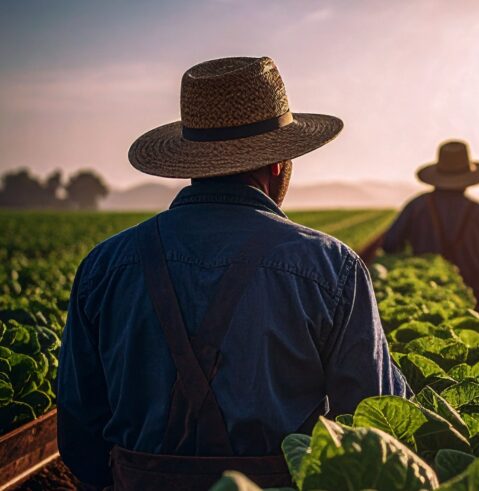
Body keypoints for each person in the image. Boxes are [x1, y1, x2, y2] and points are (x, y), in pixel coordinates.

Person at [56, 57, 407, 490]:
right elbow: (376, 418)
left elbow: (78, 425)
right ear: (278, 163)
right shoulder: (330, 266)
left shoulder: (105, 265)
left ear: (190, 163)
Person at [382, 140, 479, 301]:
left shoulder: (416, 206)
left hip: (425, 294)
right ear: (468, 177)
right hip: (473, 295)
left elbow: (390, 244)